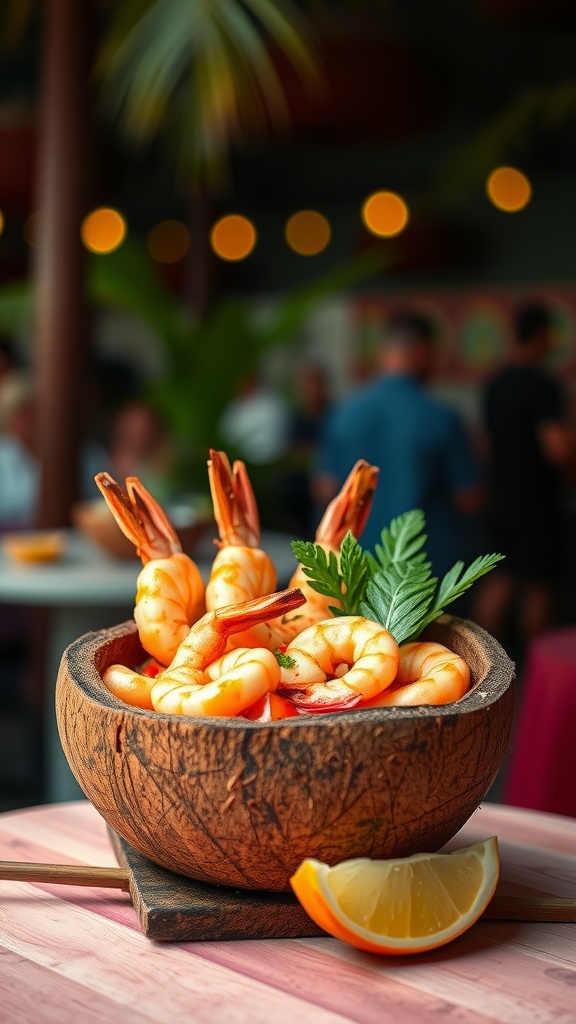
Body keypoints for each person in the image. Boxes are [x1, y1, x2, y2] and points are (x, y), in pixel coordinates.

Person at [312, 311, 483, 577]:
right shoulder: (442, 418)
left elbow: (323, 488)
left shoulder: (343, 412)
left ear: (383, 351)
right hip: (420, 572)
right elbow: (468, 498)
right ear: (424, 352)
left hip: (352, 567)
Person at [471, 301, 576, 648]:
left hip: (499, 498)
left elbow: (484, 444)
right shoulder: (543, 386)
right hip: (537, 504)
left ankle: (484, 669)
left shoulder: (494, 384)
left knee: (499, 581)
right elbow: (557, 448)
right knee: (538, 588)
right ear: (543, 336)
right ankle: (537, 682)